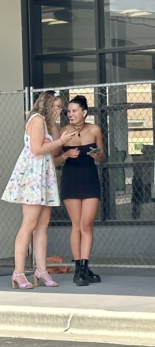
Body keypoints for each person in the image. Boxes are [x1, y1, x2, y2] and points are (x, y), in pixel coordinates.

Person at [3, 91, 74, 289]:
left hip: (43, 175)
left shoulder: (45, 122)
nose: (60, 111)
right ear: (48, 105)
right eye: (57, 107)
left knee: (43, 223)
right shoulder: (36, 120)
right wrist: (60, 141)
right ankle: (18, 272)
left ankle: (41, 270)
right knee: (29, 223)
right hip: (33, 176)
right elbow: (36, 149)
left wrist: (54, 127)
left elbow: (55, 147)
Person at [58, 95, 105, 287]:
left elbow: (103, 156)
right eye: (68, 111)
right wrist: (65, 154)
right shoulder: (63, 132)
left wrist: (97, 155)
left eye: (74, 110)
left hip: (90, 178)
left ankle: (85, 267)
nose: (71, 114)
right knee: (76, 224)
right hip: (71, 179)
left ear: (84, 112)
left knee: (87, 224)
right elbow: (53, 160)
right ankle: (78, 268)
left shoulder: (94, 129)